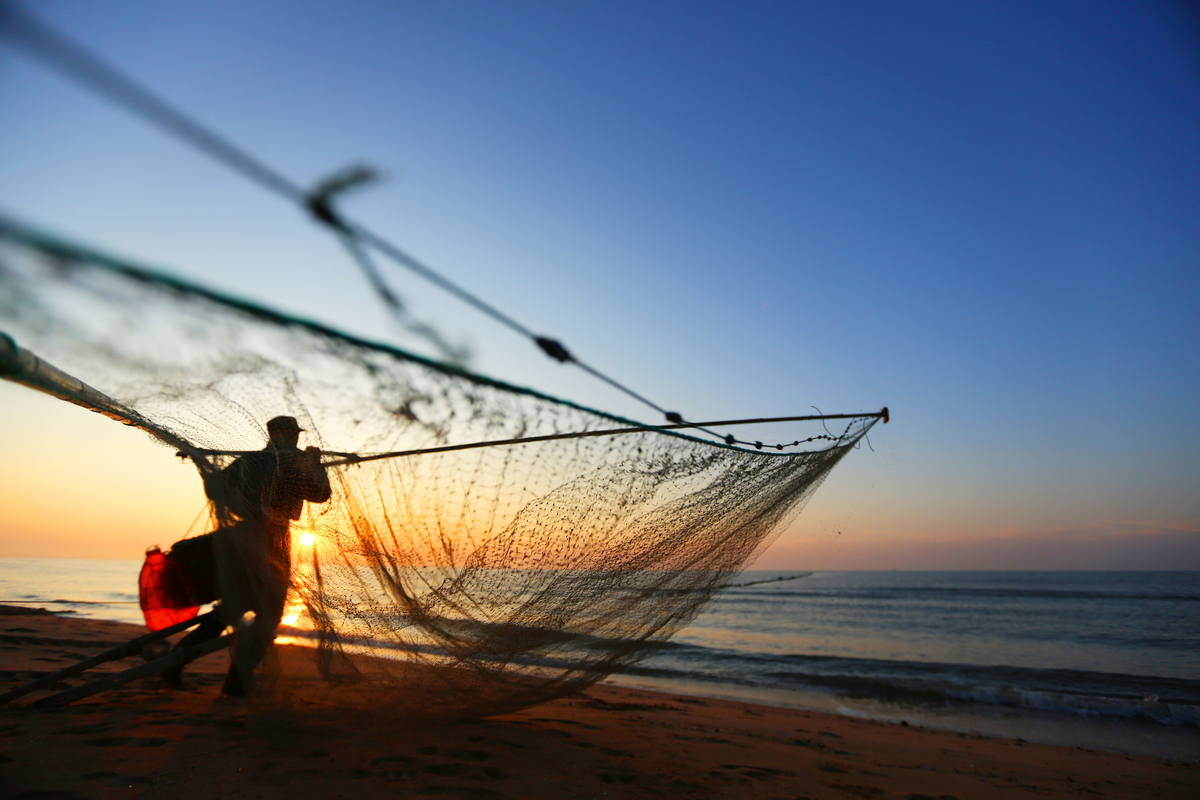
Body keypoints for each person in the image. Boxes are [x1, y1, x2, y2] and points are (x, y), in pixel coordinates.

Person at [165, 415, 331, 696]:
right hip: (269, 540)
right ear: (281, 434)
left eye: (295, 433)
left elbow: (216, 487)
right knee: (268, 613)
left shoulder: (250, 461)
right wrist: (315, 465)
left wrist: (201, 461)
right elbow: (321, 493)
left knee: (234, 607)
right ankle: (234, 680)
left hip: (243, 539)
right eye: (292, 433)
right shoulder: (288, 463)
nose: (295, 438)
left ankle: (181, 663)